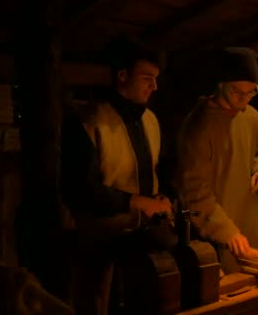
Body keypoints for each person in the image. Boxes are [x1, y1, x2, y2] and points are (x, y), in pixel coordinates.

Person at [60, 41, 172, 315]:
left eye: (156, 80)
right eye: (147, 79)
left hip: (142, 238)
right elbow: (79, 189)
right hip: (100, 242)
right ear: (122, 76)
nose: (153, 87)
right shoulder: (90, 121)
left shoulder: (151, 121)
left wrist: (161, 198)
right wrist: (135, 202)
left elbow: (156, 171)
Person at [175, 47, 258, 260]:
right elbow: (194, 192)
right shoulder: (199, 126)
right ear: (221, 85)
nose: (244, 99)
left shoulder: (252, 117)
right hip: (214, 235)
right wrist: (225, 232)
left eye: (251, 92)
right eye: (237, 92)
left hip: (247, 224)